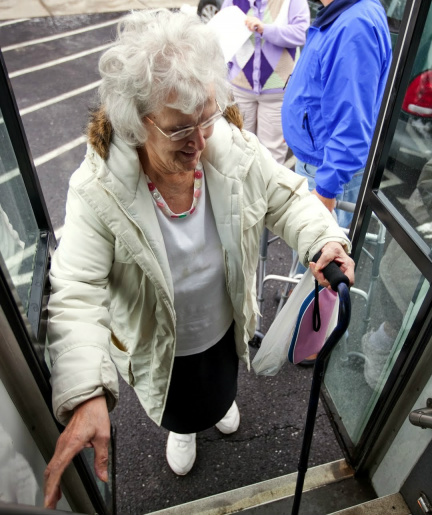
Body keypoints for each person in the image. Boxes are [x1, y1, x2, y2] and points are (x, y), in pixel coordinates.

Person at [43, 9, 354, 509]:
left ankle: (221, 404)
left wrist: (324, 240)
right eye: (179, 130)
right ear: (135, 122)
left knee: (222, 379)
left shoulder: (226, 147)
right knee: (179, 402)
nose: (201, 141)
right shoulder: (97, 190)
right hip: (163, 344)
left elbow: (285, 196)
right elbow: (77, 291)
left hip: (222, 323)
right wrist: (84, 392)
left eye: (208, 116)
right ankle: (184, 430)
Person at [281, 0, 392, 228]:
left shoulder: (354, 26)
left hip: (324, 171)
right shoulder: (345, 16)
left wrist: (326, 189)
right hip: (318, 162)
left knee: (314, 258)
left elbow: (352, 123)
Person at [220, 0, 309, 165]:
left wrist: (265, 29)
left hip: (277, 91)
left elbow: (301, 33)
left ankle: (267, 191)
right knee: (238, 150)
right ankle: (243, 191)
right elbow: (223, 32)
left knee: (271, 157)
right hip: (240, 88)